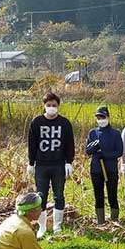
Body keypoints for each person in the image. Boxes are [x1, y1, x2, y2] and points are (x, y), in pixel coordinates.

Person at [27, 92, 75, 238]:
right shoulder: (36, 122)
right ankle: (42, 227)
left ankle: (57, 226)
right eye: (48, 105)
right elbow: (32, 144)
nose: (51, 108)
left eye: (54, 105)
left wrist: (69, 162)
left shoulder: (65, 123)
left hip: (59, 165)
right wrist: (31, 163)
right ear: (44, 106)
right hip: (41, 165)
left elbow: (69, 144)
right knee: (41, 196)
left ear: (58, 106)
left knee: (59, 195)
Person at [85, 106, 123, 224]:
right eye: (98, 117)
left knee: (112, 194)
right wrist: (94, 147)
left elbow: (119, 152)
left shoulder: (115, 133)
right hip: (96, 169)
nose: (101, 119)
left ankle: (114, 220)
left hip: (110, 169)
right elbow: (87, 151)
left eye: (103, 117)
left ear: (108, 117)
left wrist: (105, 154)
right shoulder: (93, 133)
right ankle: (100, 221)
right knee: (98, 195)